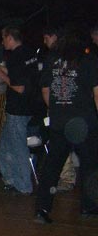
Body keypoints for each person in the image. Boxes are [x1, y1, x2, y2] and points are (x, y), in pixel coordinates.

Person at [34, 30, 98, 223]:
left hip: (60, 122)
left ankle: (42, 209)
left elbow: (45, 90)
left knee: (52, 166)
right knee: (89, 166)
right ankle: (88, 207)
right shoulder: (88, 59)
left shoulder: (51, 59)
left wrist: (55, 110)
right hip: (83, 122)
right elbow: (97, 92)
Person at [0, 26, 39, 195]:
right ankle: (11, 180)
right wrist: (3, 70)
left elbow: (19, 87)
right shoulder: (29, 53)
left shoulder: (15, 56)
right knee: (5, 146)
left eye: (3, 38)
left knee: (18, 147)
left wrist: (2, 76)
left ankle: (23, 185)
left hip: (17, 110)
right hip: (30, 107)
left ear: (10, 38)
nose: (2, 42)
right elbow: (21, 74)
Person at [40, 27, 76, 192]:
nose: (45, 42)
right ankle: (66, 177)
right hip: (72, 108)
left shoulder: (52, 58)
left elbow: (45, 88)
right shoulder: (74, 56)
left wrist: (52, 108)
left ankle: (66, 178)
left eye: (46, 38)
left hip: (61, 108)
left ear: (54, 37)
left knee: (60, 144)